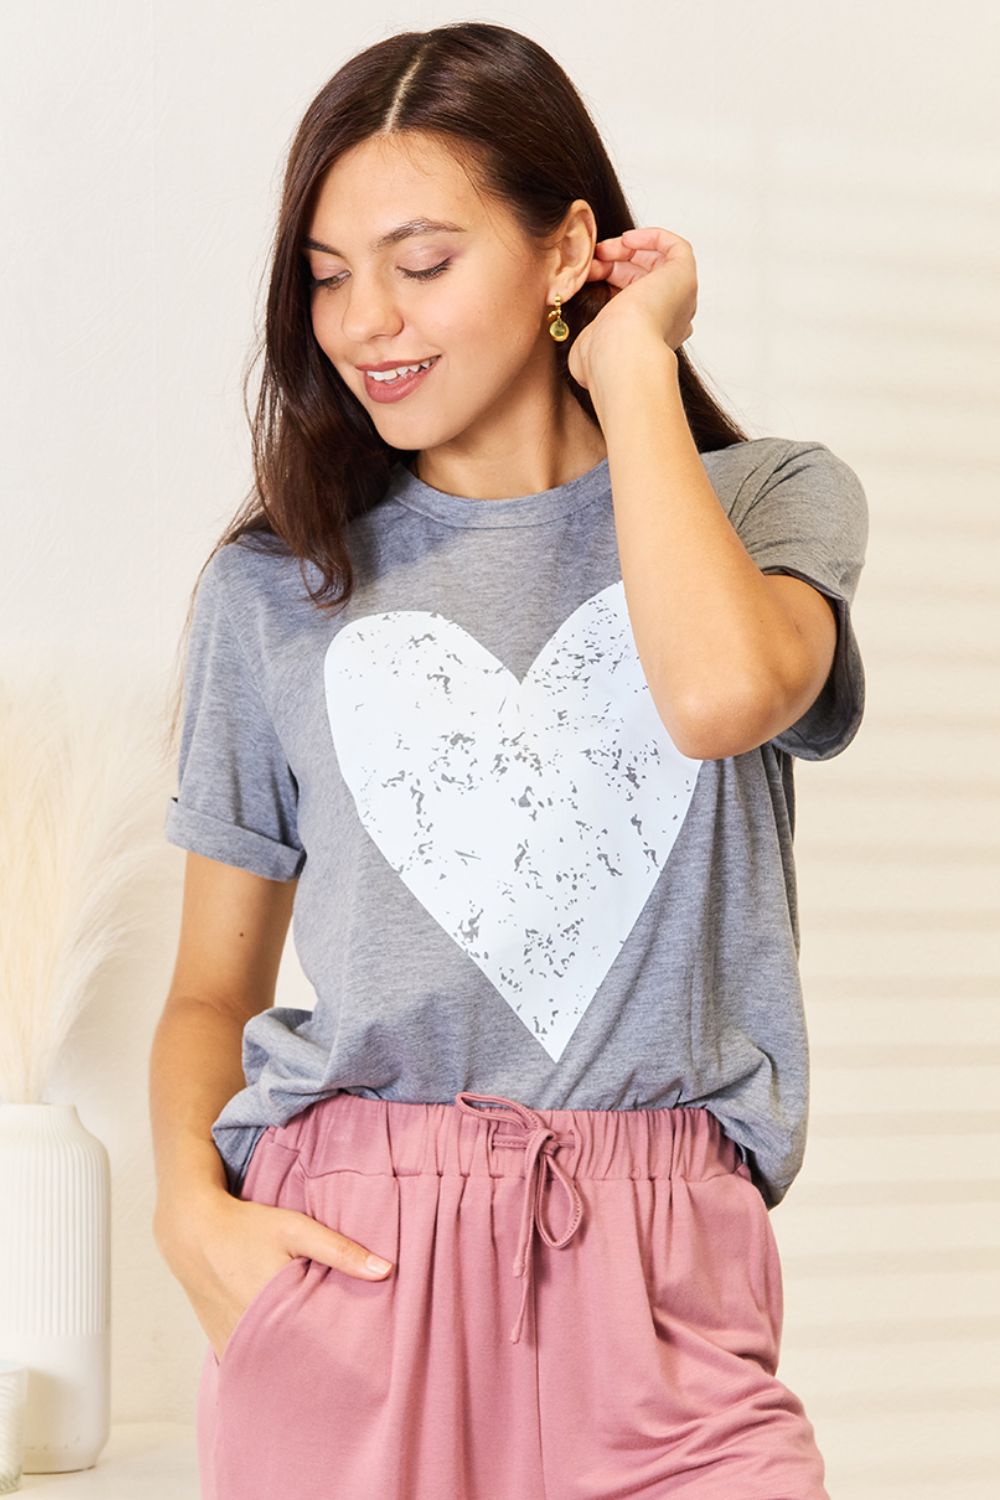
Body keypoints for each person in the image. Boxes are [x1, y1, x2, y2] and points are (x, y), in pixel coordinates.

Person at [150, 20, 868, 1500]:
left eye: (423, 262)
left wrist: (635, 366)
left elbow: (723, 691)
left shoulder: (770, 504)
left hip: (663, 1281)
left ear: (564, 252)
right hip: (356, 1260)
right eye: (331, 275)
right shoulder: (277, 587)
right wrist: (186, 1216)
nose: (367, 324)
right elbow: (210, 987)